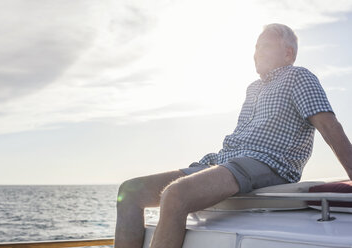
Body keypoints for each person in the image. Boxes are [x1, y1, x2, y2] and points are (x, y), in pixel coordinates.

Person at [114, 23, 352, 248]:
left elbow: (330, 127)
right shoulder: (253, 88)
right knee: (130, 192)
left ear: (288, 54)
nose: (256, 53)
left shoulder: (299, 77)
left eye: (264, 46)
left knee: (176, 195)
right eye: (255, 47)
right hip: (226, 161)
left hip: (268, 163)